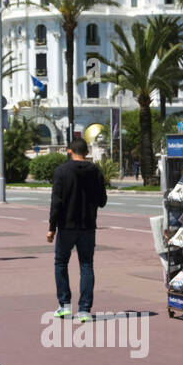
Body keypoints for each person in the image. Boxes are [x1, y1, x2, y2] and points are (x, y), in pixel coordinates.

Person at [47, 136, 107, 321]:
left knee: (60, 263)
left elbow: (56, 202)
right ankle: (84, 310)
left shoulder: (61, 171)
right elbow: (102, 201)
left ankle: (64, 305)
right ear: (87, 153)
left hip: (66, 226)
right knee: (86, 265)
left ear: (69, 151)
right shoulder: (96, 171)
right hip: (88, 226)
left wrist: (51, 228)